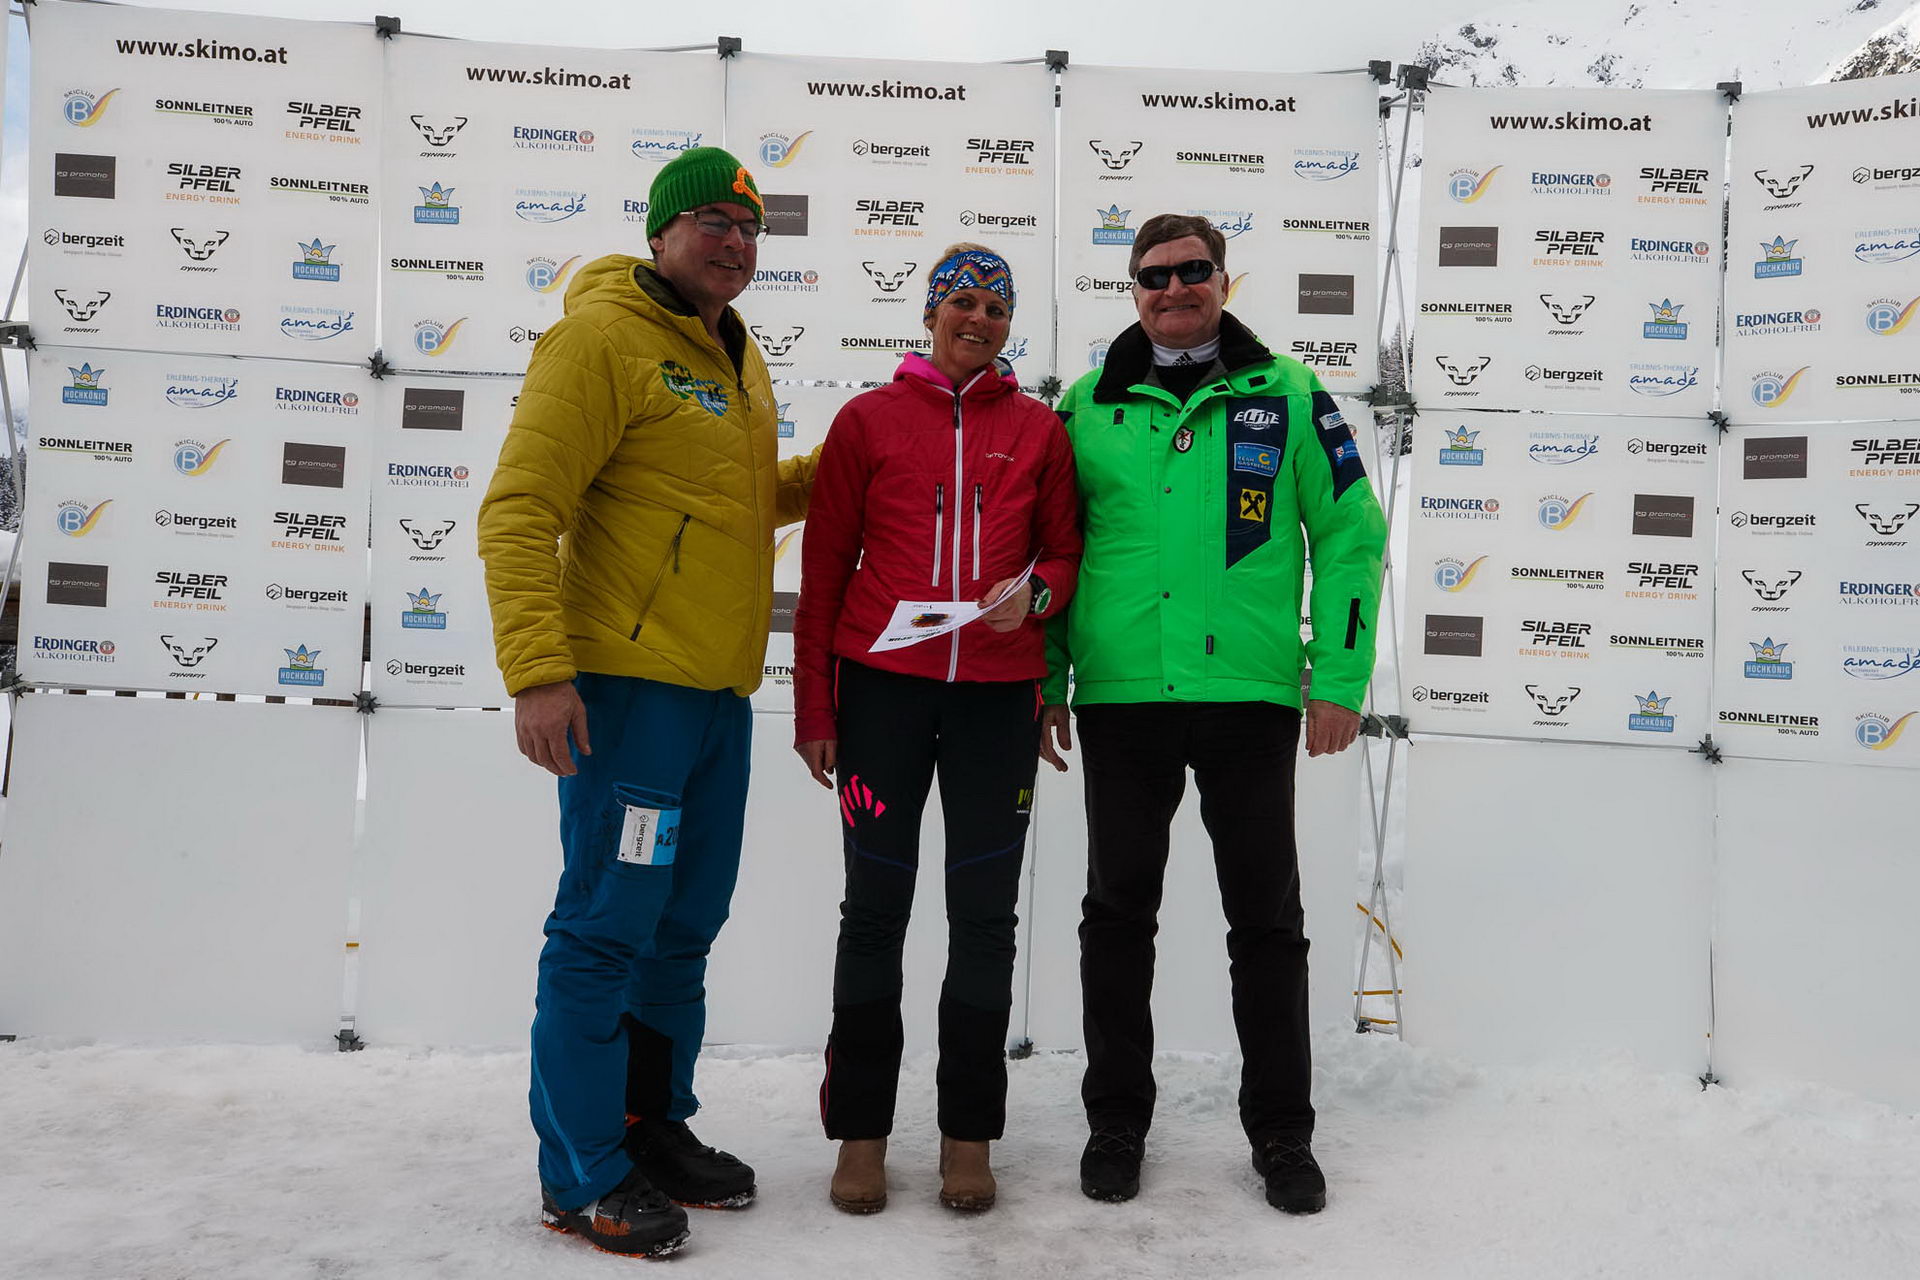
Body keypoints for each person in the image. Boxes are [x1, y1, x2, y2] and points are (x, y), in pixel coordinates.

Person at [477, 145, 818, 1259]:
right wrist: (538, 668)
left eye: (748, 226)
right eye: (712, 219)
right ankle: (580, 1170)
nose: (733, 240)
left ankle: (648, 1125)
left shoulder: (733, 355)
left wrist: (856, 460)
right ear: (662, 232)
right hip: (626, 694)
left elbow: (741, 497)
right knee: (606, 927)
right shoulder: (602, 338)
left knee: (684, 926)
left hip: (718, 693)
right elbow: (521, 505)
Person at [1039, 213, 1386, 1215]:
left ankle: (1282, 1132)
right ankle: (1116, 1122)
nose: (1175, 287)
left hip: (1248, 698)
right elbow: (1056, 551)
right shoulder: (1086, 405)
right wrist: (1046, 676)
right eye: (1155, 275)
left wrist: (1340, 674)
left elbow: (1352, 534)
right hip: (1124, 699)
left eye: (1194, 271)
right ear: (1133, 288)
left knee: (1267, 925)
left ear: (1224, 281)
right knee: (1115, 918)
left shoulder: (1289, 391)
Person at [792, 244, 1081, 1216]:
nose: (981, 319)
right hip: (882, 694)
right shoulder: (867, 420)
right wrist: (815, 707)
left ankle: (969, 1135)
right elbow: (824, 573)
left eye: (997, 307)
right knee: (874, 912)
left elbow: (1066, 554)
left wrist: (1034, 602)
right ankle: (861, 1135)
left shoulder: (1039, 429)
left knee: (985, 921)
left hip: (997, 699)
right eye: (964, 300)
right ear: (931, 312)